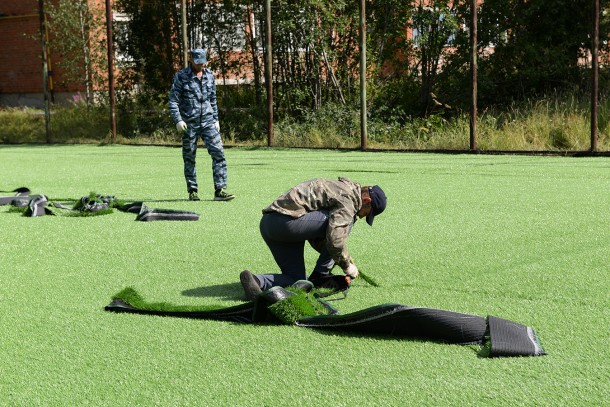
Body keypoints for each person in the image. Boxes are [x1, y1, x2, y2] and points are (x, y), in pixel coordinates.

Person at [240, 177, 387, 300]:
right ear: (366, 200)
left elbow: (319, 239)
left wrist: (341, 255)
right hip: (287, 223)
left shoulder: (341, 189)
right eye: (368, 213)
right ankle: (320, 276)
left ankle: (256, 280)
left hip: (269, 225)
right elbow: (334, 239)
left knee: (296, 280)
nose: (363, 216)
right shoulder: (349, 199)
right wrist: (346, 264)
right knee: (344, 226)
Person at [169, 48, 235, 201]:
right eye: (198, 63)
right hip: (189, 124)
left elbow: (212, 99)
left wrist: (216, 119)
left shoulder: (210, 76)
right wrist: (178, 119)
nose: (200, 66)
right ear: (191, 59)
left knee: (218, 153)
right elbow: (173, 100)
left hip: (208, 122)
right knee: (190, 157)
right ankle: (193, 191)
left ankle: (220, 190)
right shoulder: (181, 77)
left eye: (203, 63)